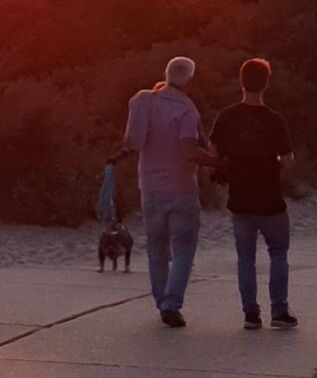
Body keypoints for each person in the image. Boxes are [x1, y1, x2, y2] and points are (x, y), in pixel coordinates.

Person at [109, 56, 206, 325]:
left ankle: (160, 298)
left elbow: (132, 141)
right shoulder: (187, 109)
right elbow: (189, 150)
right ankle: (171, 303)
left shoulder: (144, 101)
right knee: (184, 248)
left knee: (157, 246)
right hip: (182, 188)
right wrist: (216, 163)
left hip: (151, 188)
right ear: (189, 79)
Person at [209, 57, 297, 329]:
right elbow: (288, 158)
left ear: (241, 81)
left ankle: (250, 313)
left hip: (240, 196)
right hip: (269, 196)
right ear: (266, 83)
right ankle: (279, 310)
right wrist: (274, 165)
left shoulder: (227, 117)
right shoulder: (274, 119)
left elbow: (214, 152)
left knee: (245, 256)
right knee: (278, 253)